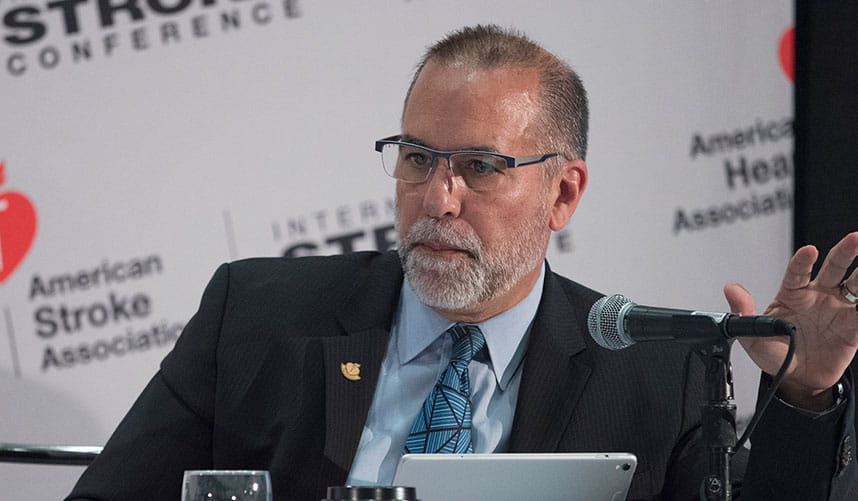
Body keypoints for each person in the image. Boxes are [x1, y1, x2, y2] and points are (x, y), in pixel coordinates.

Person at [67, 25, 858, 500]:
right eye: (417, 158)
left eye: (481, 166)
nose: (438, 199)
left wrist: (805, 391)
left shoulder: (656, 374)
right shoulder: (255, 314)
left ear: (563, 193)